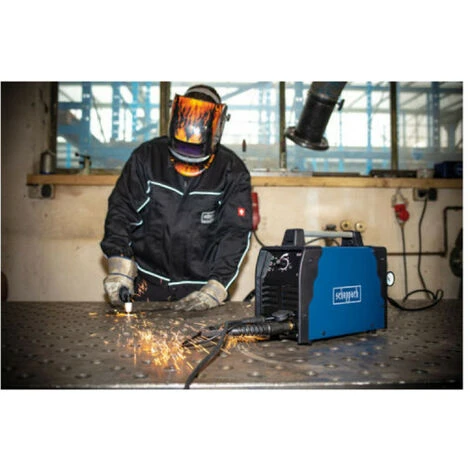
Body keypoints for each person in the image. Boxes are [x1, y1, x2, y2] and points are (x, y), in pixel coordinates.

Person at [100, 84, 252, 311]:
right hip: (147, 283)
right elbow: (121, 212)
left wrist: (217, 287)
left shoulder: (232, 171)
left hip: (200, 287)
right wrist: (120, 266)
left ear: (218, 127)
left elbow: (235, 233)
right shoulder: (147, 157)